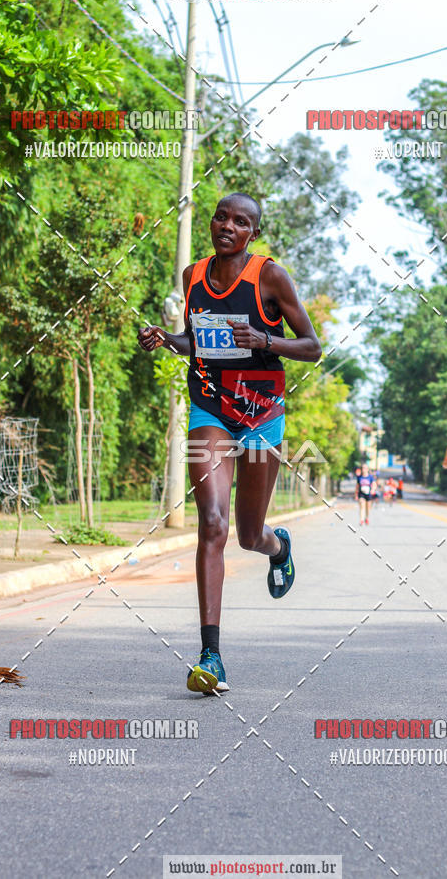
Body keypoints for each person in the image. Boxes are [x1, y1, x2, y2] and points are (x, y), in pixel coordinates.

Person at [138, 193, 321, 695]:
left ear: (252, 234)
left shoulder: (270, 277)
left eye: (240, 222)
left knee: (248, 534)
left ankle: (278, 546)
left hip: (262, 412)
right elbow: (196, 341)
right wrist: (166, 339)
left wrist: (266, 341)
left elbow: (312, 347)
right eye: (221, 217)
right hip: (211, 408)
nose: (227, 226)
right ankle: (211, 656)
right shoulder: (193, 276)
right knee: (213, 523)